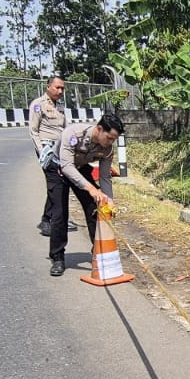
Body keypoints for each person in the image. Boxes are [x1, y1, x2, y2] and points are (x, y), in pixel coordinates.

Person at [48, 113, 124, 277]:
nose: (111, 143)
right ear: (99, 129)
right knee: (59, 213)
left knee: (94, 206)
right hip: (59, 169)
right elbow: (67, 166)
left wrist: (109, 201)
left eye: (114, 140)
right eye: (109, 138)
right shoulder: (73, 134)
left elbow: (104, 176)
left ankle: (98, 250)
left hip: (81, 168)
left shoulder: (108, 148)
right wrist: (90, 188)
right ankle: (58, 257)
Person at [30, 76, 76, 237]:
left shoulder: (60, 107)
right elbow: (34, 130)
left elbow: (66, 129)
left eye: (62, 88)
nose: (60, 91)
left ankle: (51, 218)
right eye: (57, 87)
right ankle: (50, 220)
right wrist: (42, 151)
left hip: (60, 149)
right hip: (46, 148)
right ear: (48, 87)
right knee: (55, 182)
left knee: (59, 183)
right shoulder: (38, 105)